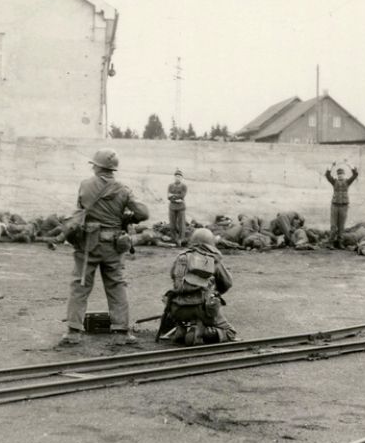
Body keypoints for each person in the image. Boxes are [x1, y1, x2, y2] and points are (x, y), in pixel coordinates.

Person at [59, 148, 149, 346]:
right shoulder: (123, 189)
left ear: (97, 167)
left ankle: (73, 332)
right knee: (117, 285)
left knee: (80, 286)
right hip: (114, 245)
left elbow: (79, 212)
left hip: (88, 244)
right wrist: (127, 218)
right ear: (112, 169)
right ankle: (121, 333)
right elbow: (143, 213)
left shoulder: (84, 185)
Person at [163, 228, 236, 345]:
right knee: (230, 332)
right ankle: (204, 332)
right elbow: (227, 283)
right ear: (210, 242)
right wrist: (215, 293)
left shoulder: (181, 257)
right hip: (203, 309)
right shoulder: (214, 259)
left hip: (177, 309)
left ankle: (181, 327)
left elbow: (173, 276)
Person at [325, 162, 359, 249]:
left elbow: (355, 175)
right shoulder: (334, 182)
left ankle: (339, 243)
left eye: (342, 174)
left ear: (344, 175)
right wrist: (331, 166)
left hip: (344, 206)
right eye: (339, 174)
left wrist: (349, 164)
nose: (340, 176)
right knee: (333, 225)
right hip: (335, 206)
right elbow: (327, 175)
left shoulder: (347, 182)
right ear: (337, 175)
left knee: (341, 226)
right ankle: (331, 243)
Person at [168, 169, 188, 246]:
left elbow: (182, 195)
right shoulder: (170, 186)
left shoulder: (184, 186)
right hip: (172, 207)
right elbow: (168, 197)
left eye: (179, 176)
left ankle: (181, 239)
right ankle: (174, 239)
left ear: (182, 178)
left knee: (181, 224)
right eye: (176, 176)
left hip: (181, 207)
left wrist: (173, 195)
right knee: (172, 224)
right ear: (174, 177)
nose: (177, 178)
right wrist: (176, 199)